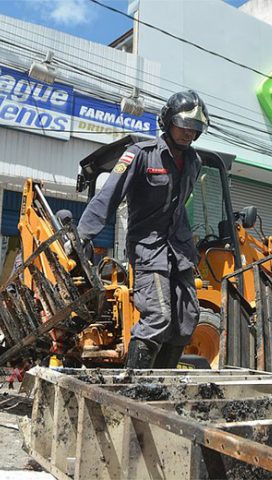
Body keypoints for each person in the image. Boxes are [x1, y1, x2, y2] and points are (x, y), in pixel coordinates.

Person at [77, 90, 210, 369]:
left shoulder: (194, 163)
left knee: (187, 319)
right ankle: (135, 384)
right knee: (158, 316)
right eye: (184, 126)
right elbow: (108, 196)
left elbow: (178, 206)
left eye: (195, 129)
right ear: (167, 122)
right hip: (149, 249)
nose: (189, 133)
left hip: (180, 251)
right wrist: (83, 236)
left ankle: (161, 385)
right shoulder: (140, 155)